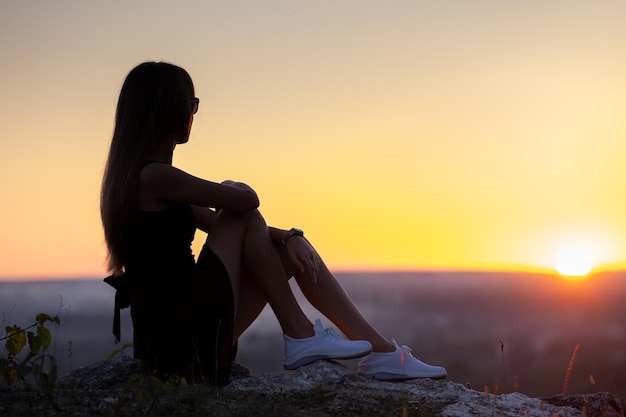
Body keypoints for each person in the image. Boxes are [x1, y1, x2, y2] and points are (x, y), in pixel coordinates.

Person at [101, 61, 447, 385]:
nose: (194, 114)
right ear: (167, 111)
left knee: (289, 252)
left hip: (187, 335)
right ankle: (300, 334)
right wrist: (231, 188)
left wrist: (292, 237)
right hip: (180, 336)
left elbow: (225, 225)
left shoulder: (147, 181)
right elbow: (246, 204)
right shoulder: (154, 177)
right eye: (191, 103)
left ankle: (378, 352)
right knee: (243, 209)